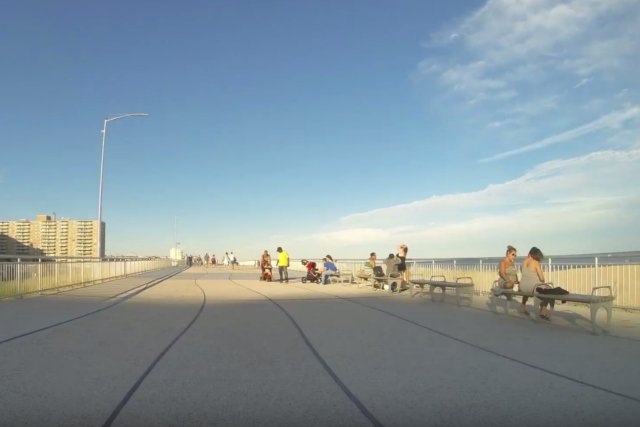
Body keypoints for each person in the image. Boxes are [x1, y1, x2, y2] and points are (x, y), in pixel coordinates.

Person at [519, 247, 550, 319]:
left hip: (522, 286)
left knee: (528, 289)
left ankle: (522, 307)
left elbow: (524, 274)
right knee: (548, 289)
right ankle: (543, 311)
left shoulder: (523, 262)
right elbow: (542, 279)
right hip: (533, 287)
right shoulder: (536, 263)